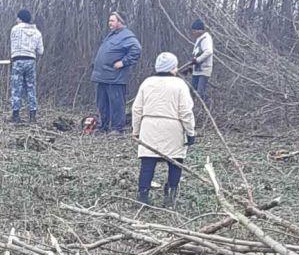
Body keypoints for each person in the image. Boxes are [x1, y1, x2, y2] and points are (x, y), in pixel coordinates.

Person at [132, 52, 195, 208]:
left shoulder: (147, 83)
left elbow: (137, 109)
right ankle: (170, 196)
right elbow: (186, 111)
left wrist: (136, 130)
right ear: (173, 67)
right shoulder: (180, 84)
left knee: (147, 164)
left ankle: (143, 196)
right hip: (173, 128)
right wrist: (190, 132)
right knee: (175, 162)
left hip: (149, 126)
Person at [90, 11, 142, 134]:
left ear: (120, 22)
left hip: (115, 77)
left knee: (116, 104)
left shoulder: (127, 36)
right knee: (102, 104)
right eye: (109, 21)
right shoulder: (112, 35)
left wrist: (123, 62)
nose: (110, 23)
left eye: (112, 21)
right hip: (102, 76)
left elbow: (136, 50)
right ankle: (104, 126)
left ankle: (117, 129)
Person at [10, 9, 44, 124]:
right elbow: (41, 51)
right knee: (31, 88)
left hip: (17, 60)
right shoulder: (37, 32)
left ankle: (15, 115)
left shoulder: (15, 29)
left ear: (20, 18)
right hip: (31, 60)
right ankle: (32, 115)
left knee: (16, 88)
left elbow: (12, 45)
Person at [186, 18, 214, 104]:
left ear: (200, 30)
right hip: (197, 70)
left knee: (200, 92)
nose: (193, 32)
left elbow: (209, 51)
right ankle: (194, 107)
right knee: (193, 90)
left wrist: (197, 60)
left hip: (204, 70)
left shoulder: (206, 38)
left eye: (194, 30)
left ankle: (208, 105)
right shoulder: (199, 39)